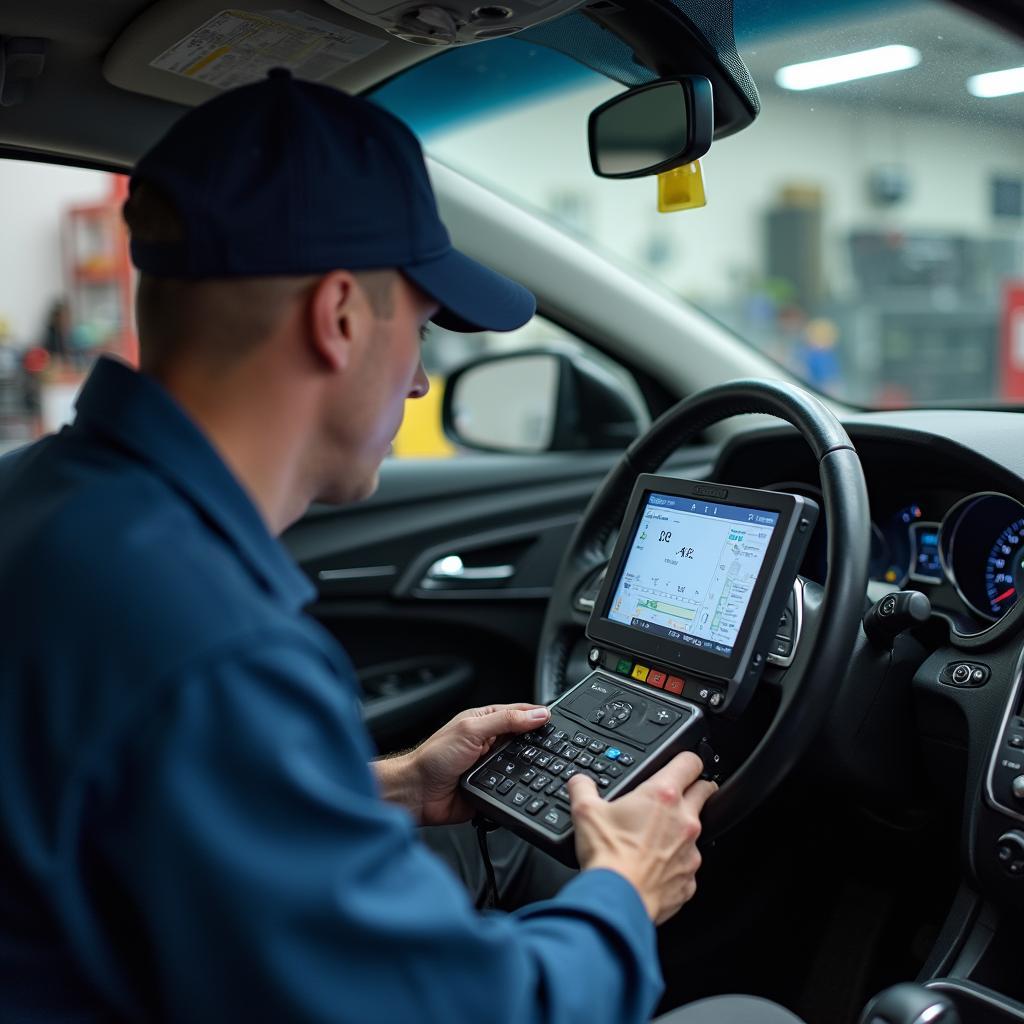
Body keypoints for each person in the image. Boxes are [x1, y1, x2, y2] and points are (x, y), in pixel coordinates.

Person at [0, 70, 804, 1024]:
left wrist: (393, 786)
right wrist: (626, 890)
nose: (420, 383)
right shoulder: (207, 644)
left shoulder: (42, 503)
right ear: (338, 318)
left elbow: (154, 817)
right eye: (419, 329)